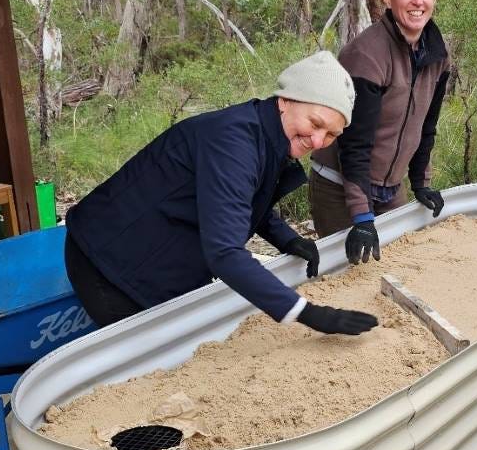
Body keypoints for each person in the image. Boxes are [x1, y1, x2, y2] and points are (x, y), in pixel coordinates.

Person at [64, 51, 378, 337]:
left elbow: (239, 199)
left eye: (332, 134)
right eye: (316, 123)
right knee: (157, 352)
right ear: (286, 100)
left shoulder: (265, 133)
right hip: (108, 264)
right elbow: (224, 252)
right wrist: (307, 313)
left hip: (144, 248)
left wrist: (288, 239)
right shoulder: (234, 142)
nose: (319, 140)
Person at [309, 0, 452, 264]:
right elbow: (354, 145)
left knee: (396, 264)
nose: (418, 1)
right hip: (340, 183)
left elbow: (426, 128)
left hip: (390, 186)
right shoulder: (367, 55)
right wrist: (362, 217)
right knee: (349, 276)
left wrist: (421, 184)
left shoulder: (437, 56)